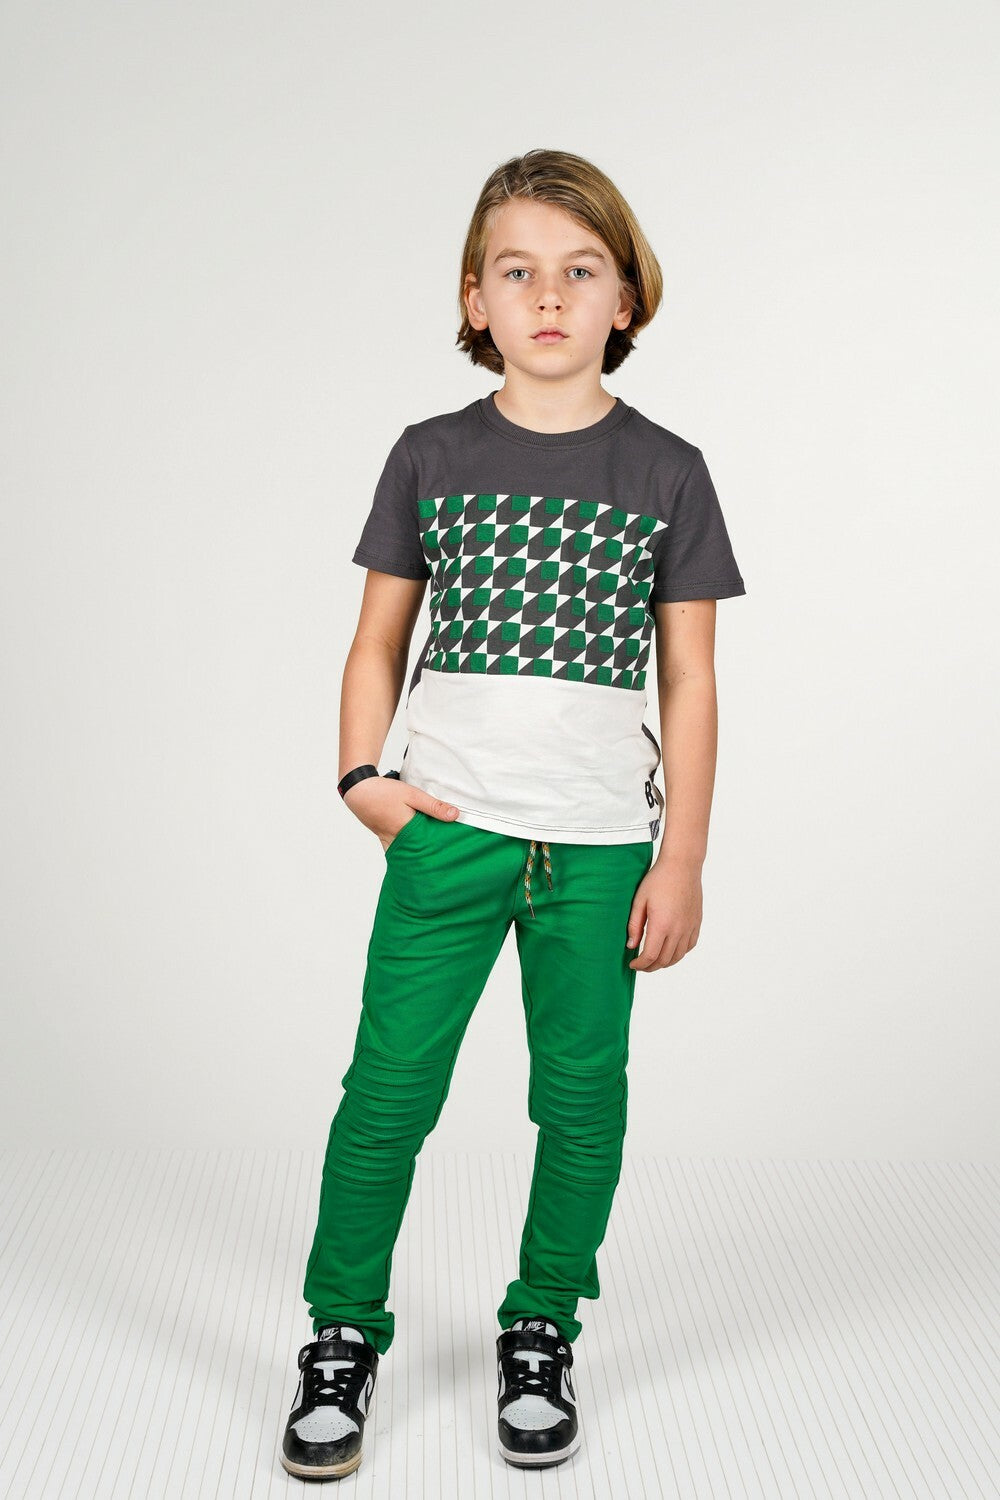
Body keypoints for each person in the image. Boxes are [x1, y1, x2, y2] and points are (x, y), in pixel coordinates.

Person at [280, 147, 746, 1482]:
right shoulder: (432, 456)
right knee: (387, 1092)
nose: (549, 295)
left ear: (624, 297)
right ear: (474, 299)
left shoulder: (668, 471)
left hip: (600, 848)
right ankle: (341, 1331)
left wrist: (683, 858)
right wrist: (364, 782)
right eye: (518, 270)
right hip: (447, 831)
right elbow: (377, 638)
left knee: (582, 1098)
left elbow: (691, 677)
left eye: (581, 270)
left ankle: (543, 1324)